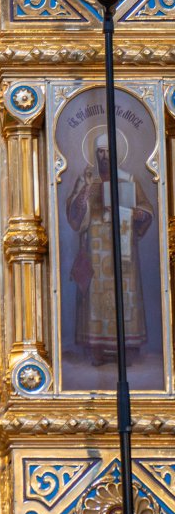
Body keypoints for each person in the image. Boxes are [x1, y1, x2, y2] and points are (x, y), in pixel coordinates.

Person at [65, 138, 152, 367]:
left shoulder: (129, 180)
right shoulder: (88, 181)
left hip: (124, 250)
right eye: (100, 152)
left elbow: (146, 208)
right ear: (95, 154)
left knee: (125, 296)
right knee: (95, 298)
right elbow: (74, 215)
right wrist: (85, 189)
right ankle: (97, 349)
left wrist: (137, 214)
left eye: (108, 151)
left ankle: (128, 348)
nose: (104, 157)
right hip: (95, 251)